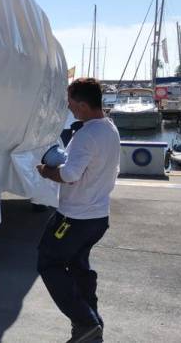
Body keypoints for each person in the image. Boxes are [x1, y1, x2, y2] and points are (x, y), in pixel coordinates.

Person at [36, 78, 120, 343]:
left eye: (71, 102)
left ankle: (85, 322)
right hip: (97, 217)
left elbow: (70, 175)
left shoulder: (86, 135)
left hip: (74, 218)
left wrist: (47, 171)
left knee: (48, 262)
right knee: (79, 269)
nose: (69, 107)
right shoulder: (109, 129)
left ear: (83, 105)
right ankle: (92, 326)